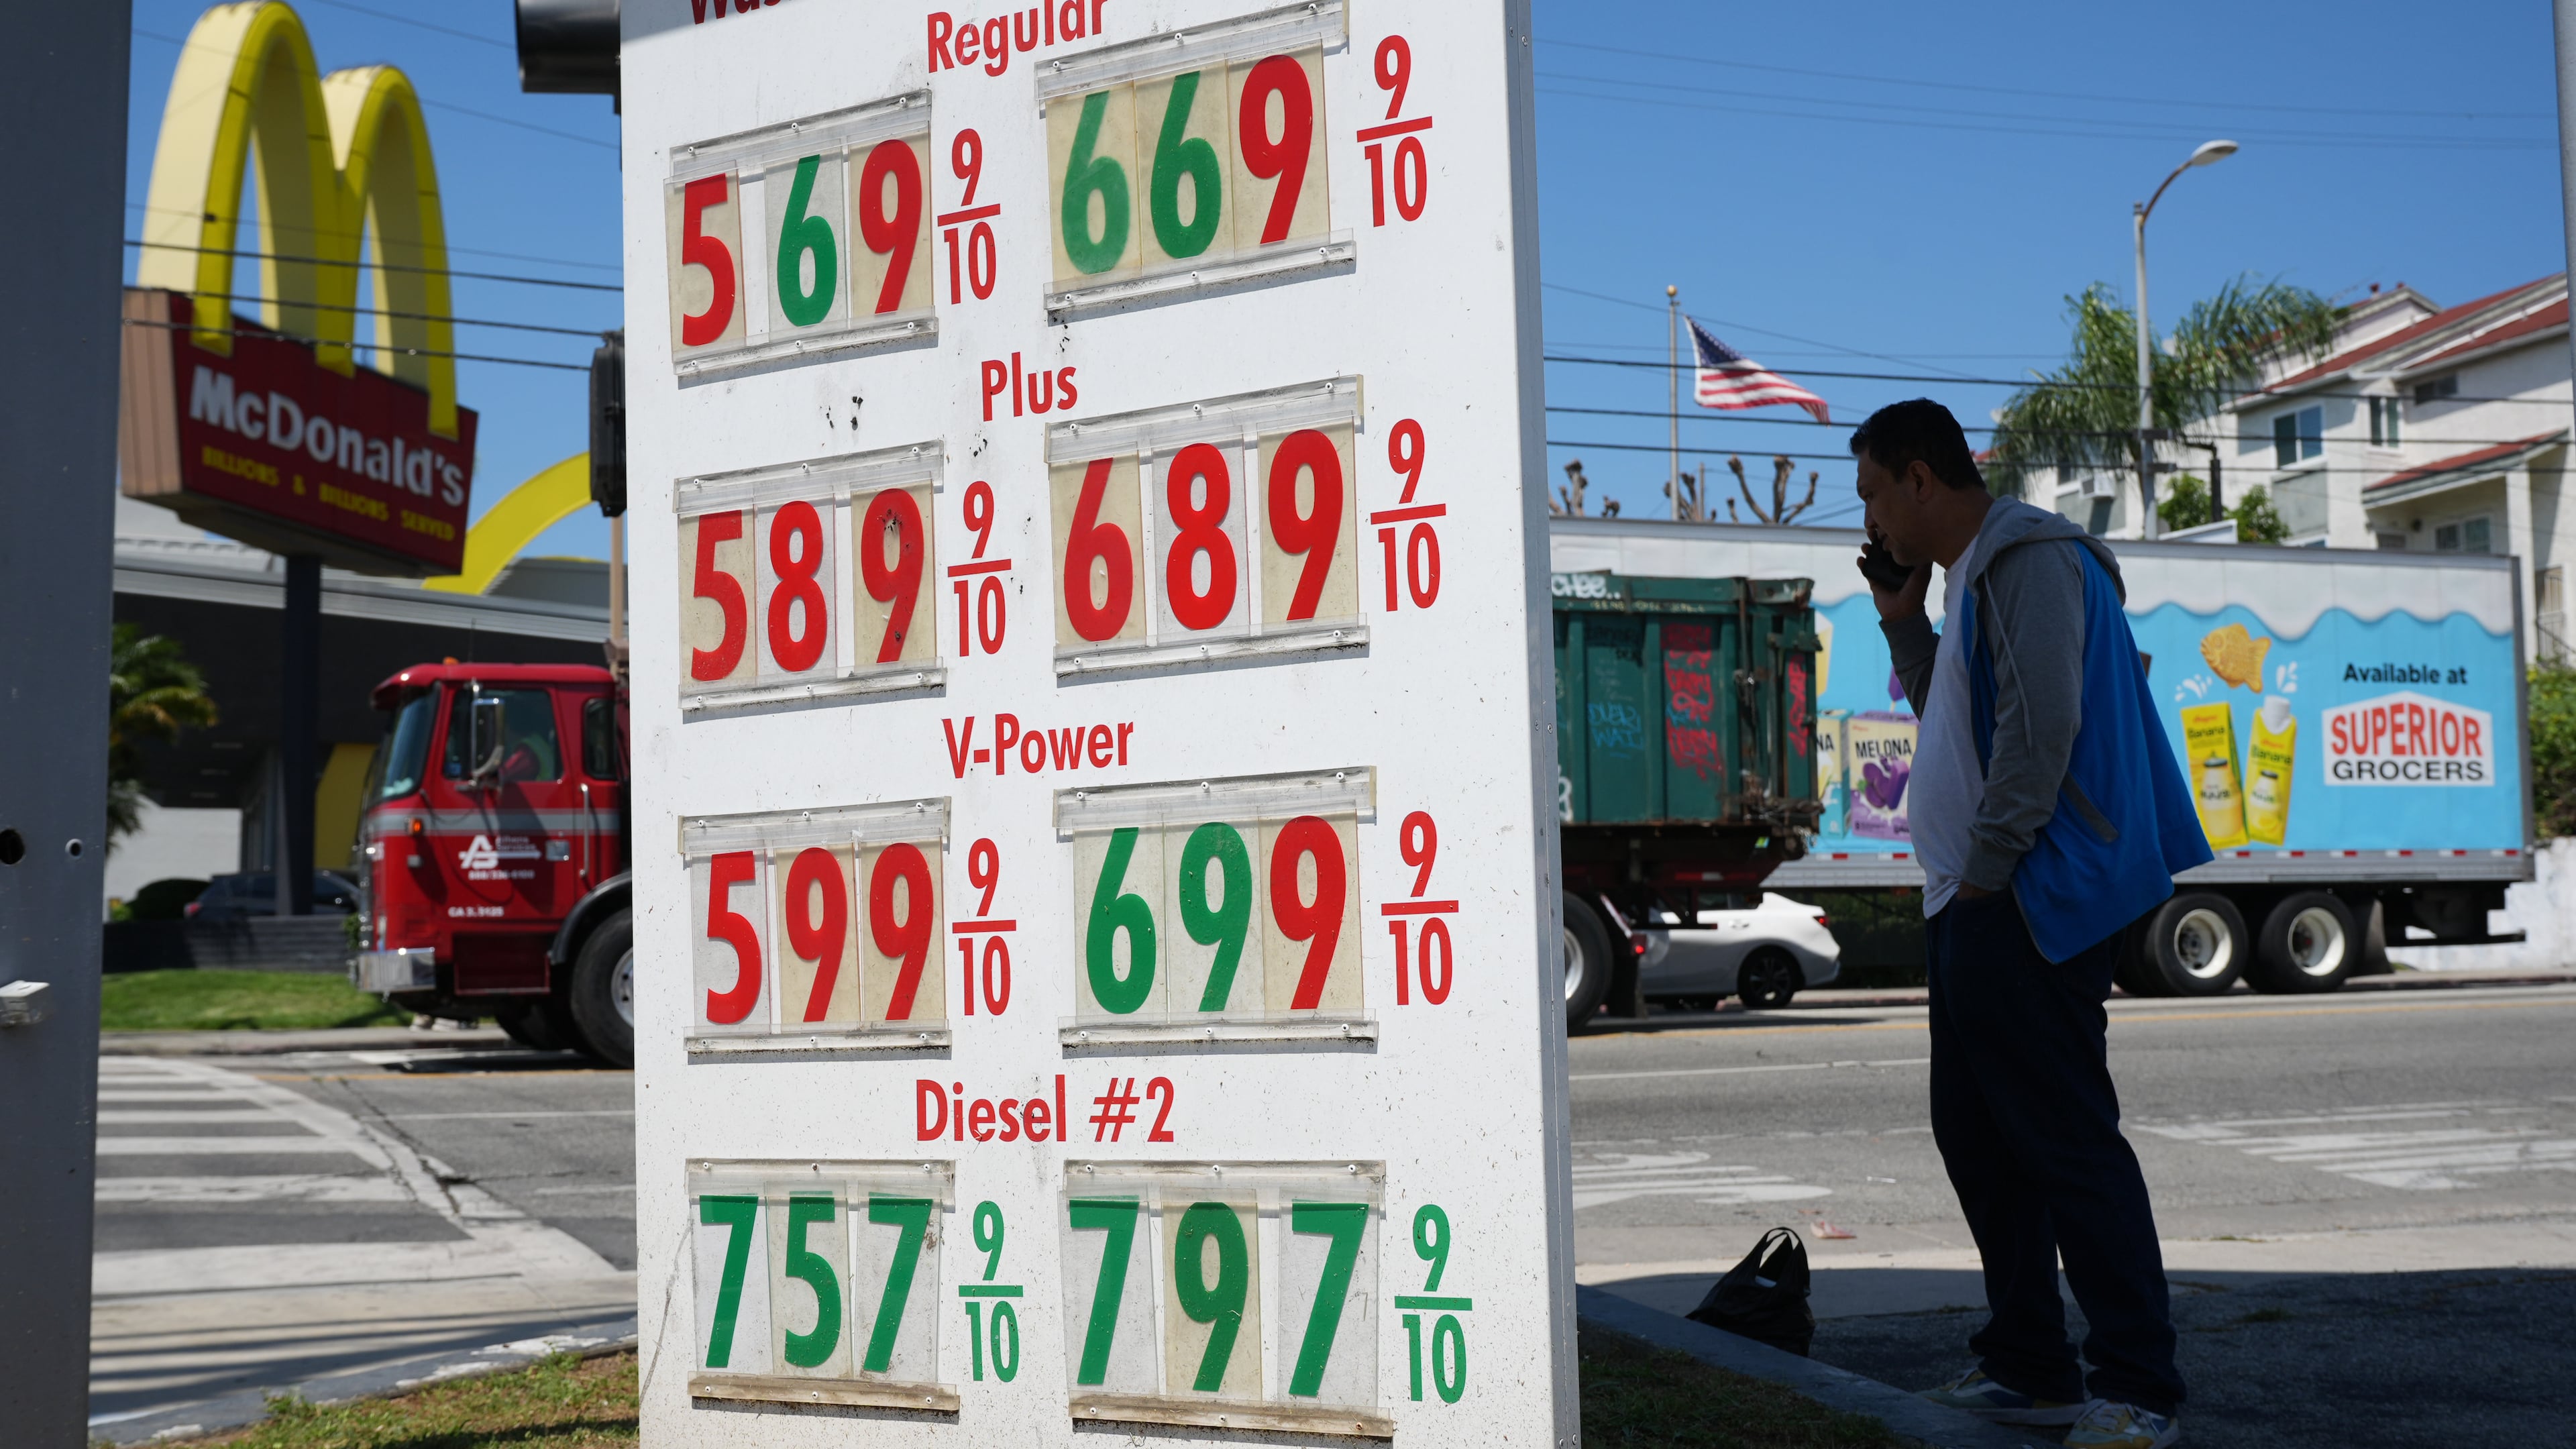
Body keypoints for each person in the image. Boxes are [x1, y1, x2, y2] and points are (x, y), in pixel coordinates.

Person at [1851, 399, 2210, 1449]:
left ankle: (2141, 1388)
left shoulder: (2029, 560)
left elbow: (2043, 730)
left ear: (1921, 478)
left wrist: (1989, 876)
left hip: (2022, 903)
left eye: (1875, 490)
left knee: (2065, 1143)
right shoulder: (1969, 582)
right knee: (1981, 1139)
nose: (1872, 516)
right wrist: (1901, 615)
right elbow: (1952, 722)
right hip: (1971, 899)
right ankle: (2030, 1365)